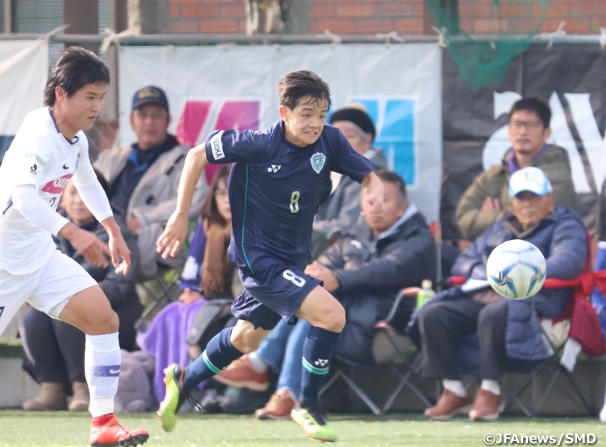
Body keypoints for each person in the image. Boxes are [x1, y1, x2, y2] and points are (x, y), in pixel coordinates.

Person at [155, 70, 383, 442]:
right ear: (284, 112)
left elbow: (368, 175)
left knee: (246, 340)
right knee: (332, 315)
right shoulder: (257, 143)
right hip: (259, 259)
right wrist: (181, 216)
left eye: (322, 114)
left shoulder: (330, 141)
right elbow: (197, 155)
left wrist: (371, 190)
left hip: (292, 259)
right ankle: (307, 403)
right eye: (306, 113)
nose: (315, 123)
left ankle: (184, 379)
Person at [0, 47, 148, 447]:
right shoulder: (37, 134)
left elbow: (88, 183)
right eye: (90, 96)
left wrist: (111, 230)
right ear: (61, 94)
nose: (97, 106)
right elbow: (25, 199)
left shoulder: (76, 139)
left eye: (101, 97)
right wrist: (76, 233)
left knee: (104, 319)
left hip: (42, 259)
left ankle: (103, 422)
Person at [214, 169, 436, 419]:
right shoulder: (352, 235)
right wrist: (314, 276)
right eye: (370, 198)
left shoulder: (419, 239)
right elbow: (321, 266)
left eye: (385, 199)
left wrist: (338, 279)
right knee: (310, 299)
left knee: (318, 308)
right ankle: (279, 385)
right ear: (362, 204)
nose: (376, 206)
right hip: (342, 320)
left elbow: (387, 269)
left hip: (383, 324)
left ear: (401, 207)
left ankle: (270, 374)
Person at [411, 166, 587, 421]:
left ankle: (490, 390)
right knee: (433, 313)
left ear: (551, 201)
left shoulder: (565, 222)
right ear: (511, 203)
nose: (527, 204)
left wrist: (522, 269)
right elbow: (464, 262)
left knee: (493, 314)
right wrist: (490, 272)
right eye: (520, 197)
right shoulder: (501, 227)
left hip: (534, 299)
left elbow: (570, 260)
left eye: (534, 197)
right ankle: (454, 388)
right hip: (488, 293)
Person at [20, 176, 143, 412]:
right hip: (60, 305)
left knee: (73, 318)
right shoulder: (50, 232)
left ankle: (83, 388)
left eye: (85, 193)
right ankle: (51, 389)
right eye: (72, 193)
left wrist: (78, 296)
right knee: (32, 318)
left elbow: (121, 285)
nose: (79, 201)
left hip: (117, 312)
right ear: (61, 198)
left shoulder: (117, 232)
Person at [137, 165, 235, 403]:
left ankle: (206, 388)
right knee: (174, 312)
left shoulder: (250, 227)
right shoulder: (207, 225)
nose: (227, 200)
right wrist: (191, 289)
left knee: (206, 320)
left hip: (234, 302)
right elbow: (193, 262)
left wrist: (205, 298)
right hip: (206, 297)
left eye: (233, 192)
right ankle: (171, 387)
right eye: (221, 193)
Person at [94, 85, 208, 276]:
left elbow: (197, 199)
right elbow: (84, 188)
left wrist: (141, 219)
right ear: (131, 120)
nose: (149, 121)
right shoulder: (113, 157)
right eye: (142, 114)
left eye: (157, 114)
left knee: (99, 263)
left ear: (168, 120)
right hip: (104, 231)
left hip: (148, 239)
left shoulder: (186, 159)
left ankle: (101, 290)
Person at [456, 97, 577, 242]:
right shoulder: (493, 176)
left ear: (547, 133)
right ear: (508, 131)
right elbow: (463, 219)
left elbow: (536, 224)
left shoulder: (557, 174)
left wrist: (494, 218)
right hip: (493, 257)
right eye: (517, 124)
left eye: (531, 124)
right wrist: (502, 216)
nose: (523, 131)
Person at [311, 105, 388, 257]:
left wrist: (301, 227)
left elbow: (349, 224)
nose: (341, 144)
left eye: (350, 136)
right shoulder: (329, 167)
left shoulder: (368, 176)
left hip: (349, 252)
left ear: (367, 140)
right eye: (336, 138)